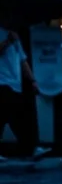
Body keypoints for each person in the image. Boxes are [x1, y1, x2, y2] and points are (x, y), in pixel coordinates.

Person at [0, 26, 50, 161]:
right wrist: (8, 42)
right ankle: (31, 148)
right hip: (2, 82)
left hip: (16, 84)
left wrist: (32, 80)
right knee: (8, 115)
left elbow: (23, 60)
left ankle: (31, 148)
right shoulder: (6, 36)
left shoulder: (15, 36)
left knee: (17, 117)